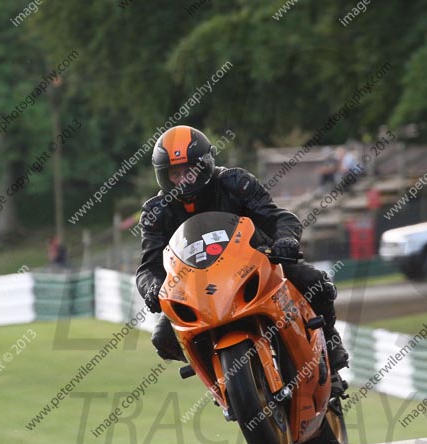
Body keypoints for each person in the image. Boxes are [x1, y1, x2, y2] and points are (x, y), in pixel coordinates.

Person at [136, 126, 349, 396]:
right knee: (163, 338)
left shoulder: (235, 183)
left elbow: (277, 218)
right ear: (163, 176)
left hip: (256, 264)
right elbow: (149, 265)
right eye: (174, 174)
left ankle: (330, 345)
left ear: (205, 165)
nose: (182, 181)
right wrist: (153, 288)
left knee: (316, 283)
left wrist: (284, 241)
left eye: (189, 171)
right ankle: (220, 376)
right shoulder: (155, 212)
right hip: (195, 288)